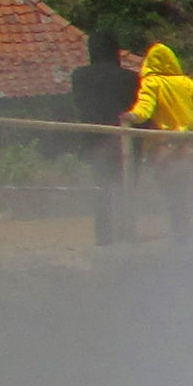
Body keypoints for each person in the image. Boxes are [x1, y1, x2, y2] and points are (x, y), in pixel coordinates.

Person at [123, 42, 193, 244]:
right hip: (190, 146)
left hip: (165, 146)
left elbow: (145, 108)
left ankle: (179, 232)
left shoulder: (152, 83)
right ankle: (183, 232)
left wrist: (132, 116)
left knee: (170, 189)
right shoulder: (188, 83)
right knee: (183, 189)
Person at [67, 37, 128, 243]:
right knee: (125, 187)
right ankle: (126, 233)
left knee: (101, 188)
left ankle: (103, 236)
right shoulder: (130, 78)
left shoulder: (80, 76)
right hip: (123, 143)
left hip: (93, 141)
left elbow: (80, 105)